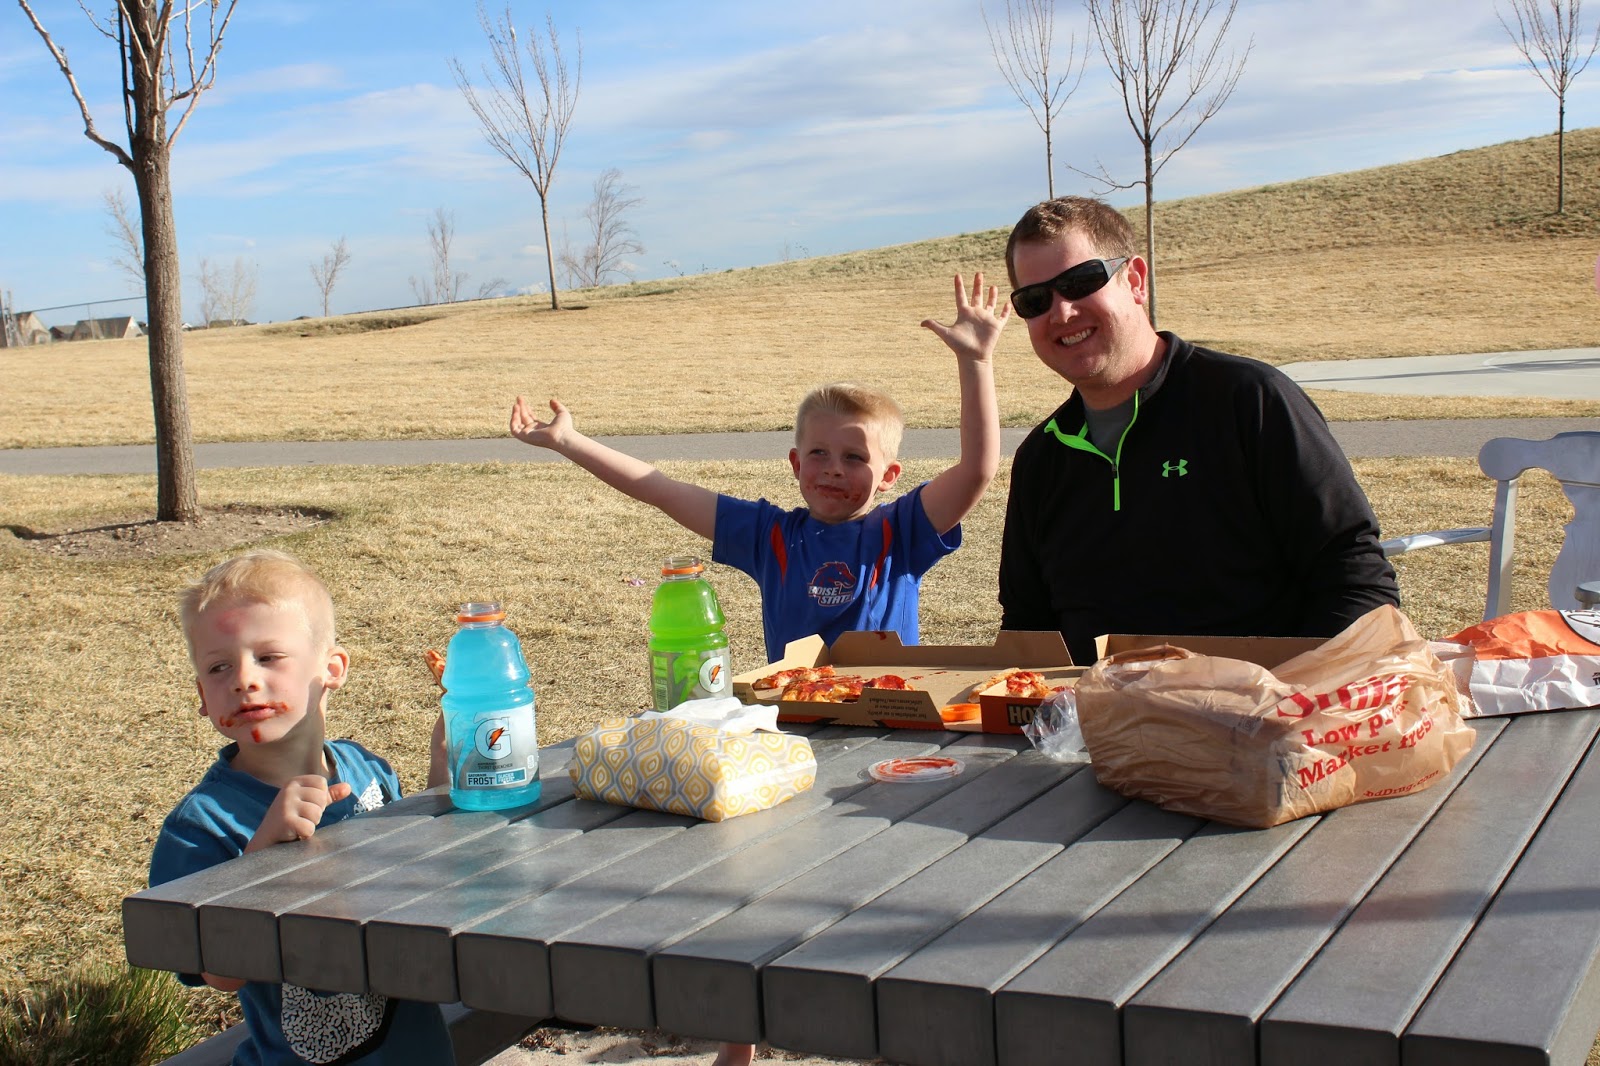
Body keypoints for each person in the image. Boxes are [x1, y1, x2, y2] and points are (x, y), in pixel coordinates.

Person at [510, 273, 1008, 662]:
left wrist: (976, 362)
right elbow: (659, 488)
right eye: (819, 453)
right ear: (795, 463)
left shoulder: (901, 532)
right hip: (796, 723)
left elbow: (976, 469)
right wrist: (568, 441)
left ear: (888, 477)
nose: (834, 469)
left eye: (855, 457)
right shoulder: (769, 536)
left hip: (890, 725)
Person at [996, 196, 1400, 664]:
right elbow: (1028, 626)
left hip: (1263, 701)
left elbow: (1356, 580)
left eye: (1080, 282)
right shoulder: (1041, 458)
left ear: (1136, 280)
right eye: (1035, 300)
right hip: (1089, 709)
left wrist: (1285, 694)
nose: (1062, 312)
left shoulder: (1250, 400)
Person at [150, 549, 453, 1066]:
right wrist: (260, 860)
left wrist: (444, 763)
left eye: (268, 657)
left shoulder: (366, 771)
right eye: (219, 667)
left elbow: (422, 876)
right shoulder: (202, 826)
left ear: (331, 669)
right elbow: (219, 974)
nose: (243, 679)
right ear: (202, 694)